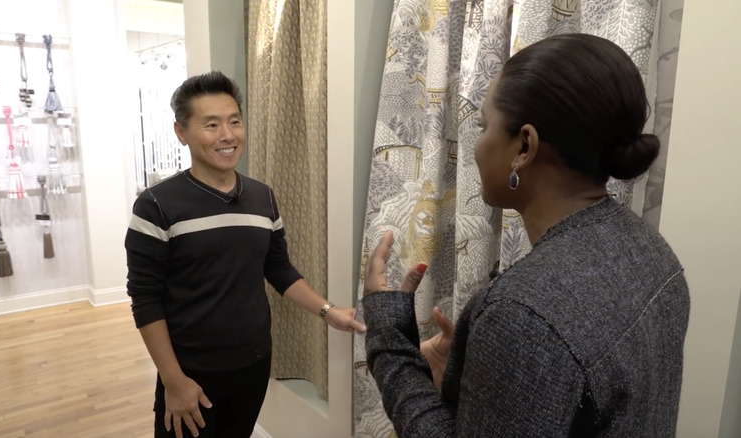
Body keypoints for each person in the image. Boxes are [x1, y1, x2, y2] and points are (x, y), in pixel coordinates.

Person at [362, 34, 690, 437]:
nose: (477, 145)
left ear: (524, 146)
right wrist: (471, 384)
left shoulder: (521, 315)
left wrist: (388, 337)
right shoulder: (651, 252)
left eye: (484, 125)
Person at [125, 71, 366, 438]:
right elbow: (145, 299)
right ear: (181, 132)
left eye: (234, 121)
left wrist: (328, 311)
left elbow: (279, 269)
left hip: (252, 364)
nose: (227, 135)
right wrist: (173, 381)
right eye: (211, 125)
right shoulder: (156, 205)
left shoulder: (262, 197)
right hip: (190, 371)